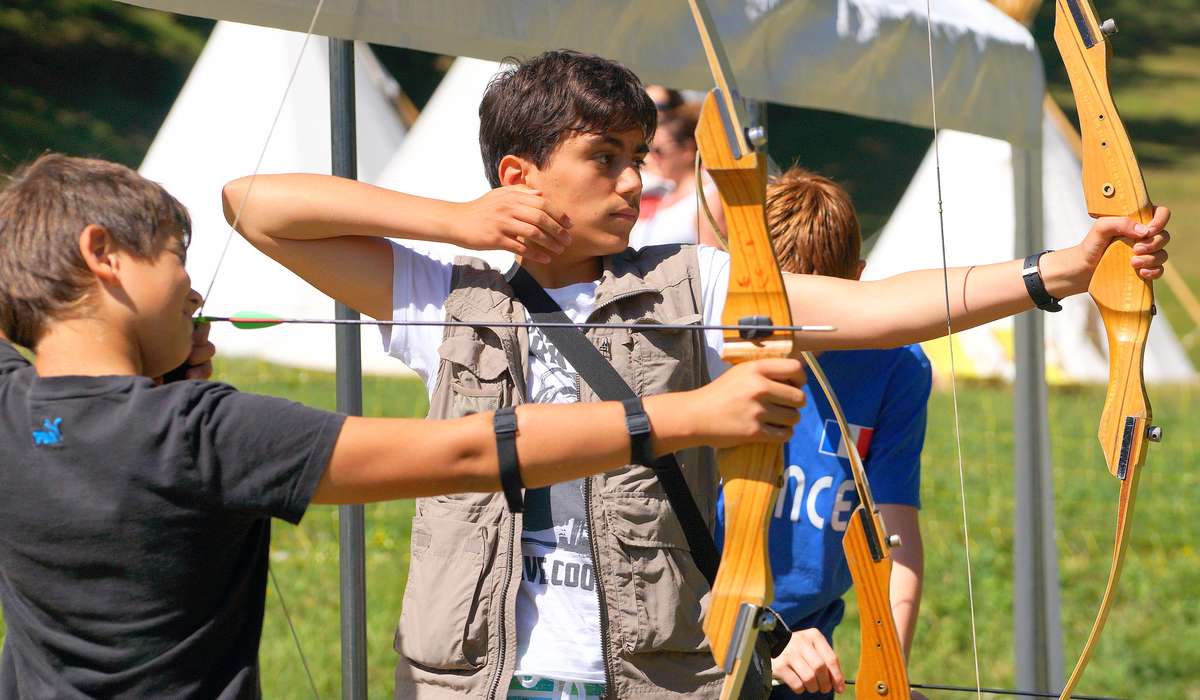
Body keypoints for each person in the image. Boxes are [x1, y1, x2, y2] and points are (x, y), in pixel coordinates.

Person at [222, 49, 1170, 700]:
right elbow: (255, 204)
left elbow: (877, 309)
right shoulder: (443, 291)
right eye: (604, 159)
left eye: (639, 158)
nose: (635, 183)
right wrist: (459, 221)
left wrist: (1056, 273)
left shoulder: (694, 278)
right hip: (475, 674)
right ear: (520, 172)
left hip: (650, 672)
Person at [0, 153, 809, 699]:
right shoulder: (201, 435)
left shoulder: (12, 410)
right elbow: (466, 450)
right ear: (103, 253)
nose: (194, 289)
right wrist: (692, 414)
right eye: (176, 255)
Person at [716, 168, 930, 699]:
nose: (795, 331)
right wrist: (757, 639)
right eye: (783, 307)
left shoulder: (896, 366)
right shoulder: (711, 342)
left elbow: (895, 535)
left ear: (855, 283)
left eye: (820, 310)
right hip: (692, 643)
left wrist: (888, 674)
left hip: (807, 656)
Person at [627, 101, 725, 249]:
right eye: (650, 150)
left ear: (688, 150)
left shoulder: (709, 198)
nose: (652, 157)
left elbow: (714, 260)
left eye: (659, 150)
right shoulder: (662, 192)